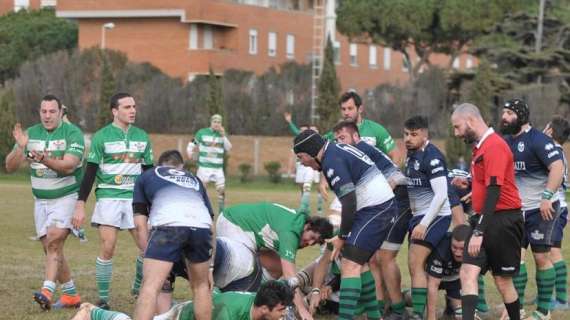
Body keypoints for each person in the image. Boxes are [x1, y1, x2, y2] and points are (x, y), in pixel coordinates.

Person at [294, 129, 399, 320]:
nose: (301, 162)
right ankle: (375, 317)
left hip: (377, 210)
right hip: (375, 208)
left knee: (349, 264)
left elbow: (349, 201)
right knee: (360, 263)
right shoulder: (334, 150)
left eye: (301, 157)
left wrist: (342, 236)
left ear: (310, 152)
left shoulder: (331, 161)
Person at [72, 92, 154, 309]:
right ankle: (104, 298)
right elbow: (89, 172)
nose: (132, 110)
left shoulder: (142, 137)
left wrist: (154, 201)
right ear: (115, 111)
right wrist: (81, 203)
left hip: (136, 200)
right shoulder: (101, 137)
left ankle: (138, 286)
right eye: (127, 107)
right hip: (108, 197)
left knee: (148, 249)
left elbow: (149, 173)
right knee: (108, 246)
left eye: (134, 106)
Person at [4, 94, 84, 310]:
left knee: (54, 241)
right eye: (43, 111)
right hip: (40, 200)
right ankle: (71, 296)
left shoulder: (72, 133)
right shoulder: (30, 134)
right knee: (50, 248)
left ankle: (46, 291)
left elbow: (68, 166)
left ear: (60, 112)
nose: (47, 115)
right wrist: (21, 147)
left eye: (52, 111)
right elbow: (9, 167)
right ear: (39, 112)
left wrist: (42, 158)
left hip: (66, 197)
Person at [450, 103, 524, 320]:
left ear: (471, 121)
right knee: (467, 272)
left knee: (502, 282)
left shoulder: (494, 146)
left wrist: (479, 232)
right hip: (485, 218)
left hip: (503, 221)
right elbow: (487, 182)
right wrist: (471, 183)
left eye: (457, 127)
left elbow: (494, 190)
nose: (455, 133)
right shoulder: (480, 147)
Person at [332, 120, 409, 319]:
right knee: (369, 258)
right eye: (336, 140)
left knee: (382, 257)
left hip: (395, 201)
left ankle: (396, 308)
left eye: (343, 138)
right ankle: (375, 306)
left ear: (356, 137)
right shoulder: (352, 153)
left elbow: (394, 177)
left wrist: (379, 206)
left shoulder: (362, 150)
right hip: (385, 203)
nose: (339, 143)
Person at [500, 99, 564, 320]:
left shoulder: (539, 139)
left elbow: (558, 167)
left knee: (541, 258)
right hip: (516, 210)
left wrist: (547, 196)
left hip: (541, 209)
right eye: (503, 113)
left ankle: (543, 311)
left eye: (509, 113)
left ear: (520, 116)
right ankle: (516, 308)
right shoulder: (505, 142)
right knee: (515, 259)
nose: (504, 117)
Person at [131, 150, 214, 320]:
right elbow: (211, 224)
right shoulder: (194, 178)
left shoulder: (146, 176)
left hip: (169, 226)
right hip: (201, 226)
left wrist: (147, 251)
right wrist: (210, 267)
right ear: (181, 166)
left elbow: (140, 224)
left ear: (158, 165)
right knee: (201, 286)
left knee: (150, 287)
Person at [216, 201, 333, 320]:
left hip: (247, 232)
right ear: (307, 227)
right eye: (312, 237)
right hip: (233, 223)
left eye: (316, 242)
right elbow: (290, 277)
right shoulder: (291, 231)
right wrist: (302, 310)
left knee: (277, 266)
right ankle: (229, 299)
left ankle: (262, 300)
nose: (311, 243)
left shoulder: (299, 224)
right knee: (247, 269)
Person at [403, 115, 453, 319]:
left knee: (415, 262)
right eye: (405, 134)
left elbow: (441, 195)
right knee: (418, 266)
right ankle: (425, 312)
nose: (408, 138)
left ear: (425, 134)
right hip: (418, 216)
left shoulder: (432, 157)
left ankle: (417, 315)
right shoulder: (411, 154)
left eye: (413, 135)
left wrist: (424, 224)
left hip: (436, 216)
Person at [70, 280, 294, 320]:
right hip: (181, 316)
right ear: (265, 309)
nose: (284, 314)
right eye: (282, 310)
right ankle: (92, 312)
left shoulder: (261, 303)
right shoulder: (228, 315)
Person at [543, 116, 570, 310]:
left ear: (551, 131)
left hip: (555, 206)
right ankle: (553, 294)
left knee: (553, 252)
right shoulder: (557, 152)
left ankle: (561, 299)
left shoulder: (554, 153)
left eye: (546, 126)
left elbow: (557, 180)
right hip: (557, 206)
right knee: (549, 251)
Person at [187, 114, 232, 213]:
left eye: (219, 122)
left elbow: (228, 147)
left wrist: (224, 136)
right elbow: (192, 143)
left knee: (221, 190)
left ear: (221, 124)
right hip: (204, 167)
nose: (216, 124)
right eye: (215, 122)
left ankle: (221, 210)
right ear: (211, 122)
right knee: (201, 189)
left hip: (217, 168)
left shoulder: (222, 135)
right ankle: (200, 209)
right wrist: (190, 152)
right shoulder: (202, 132)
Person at [425, 225, 472, 320]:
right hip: (432, 278)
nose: (458, 253)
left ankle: (450, 307)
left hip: (454, 279)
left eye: (462, 249)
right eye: (454, 247)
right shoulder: (442, 249)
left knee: (460, 315)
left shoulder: (476, 249)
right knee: (420, 302)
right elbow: (433, 284)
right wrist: (431, 317)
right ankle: (406, 297)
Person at [284, 112, 325, 215]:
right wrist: (289, 122)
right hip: (301, 166)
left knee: (312, 185)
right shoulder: (301, 142)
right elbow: (296, 132)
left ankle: (317, 209)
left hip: (313, 165)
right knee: (303, 186)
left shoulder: (320, 140)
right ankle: (306, 206)